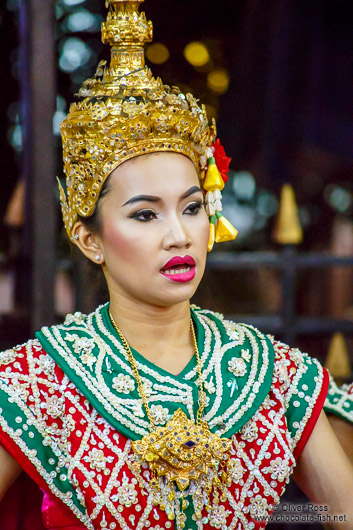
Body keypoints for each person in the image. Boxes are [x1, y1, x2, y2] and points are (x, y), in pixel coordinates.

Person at [0, 1, 353, 529]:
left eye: (192, 208)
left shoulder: (268, 373)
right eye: (145, 215)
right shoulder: (36, 383)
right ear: (88, 238)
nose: (179, 235)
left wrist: (287, 515)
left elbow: (336, 511)